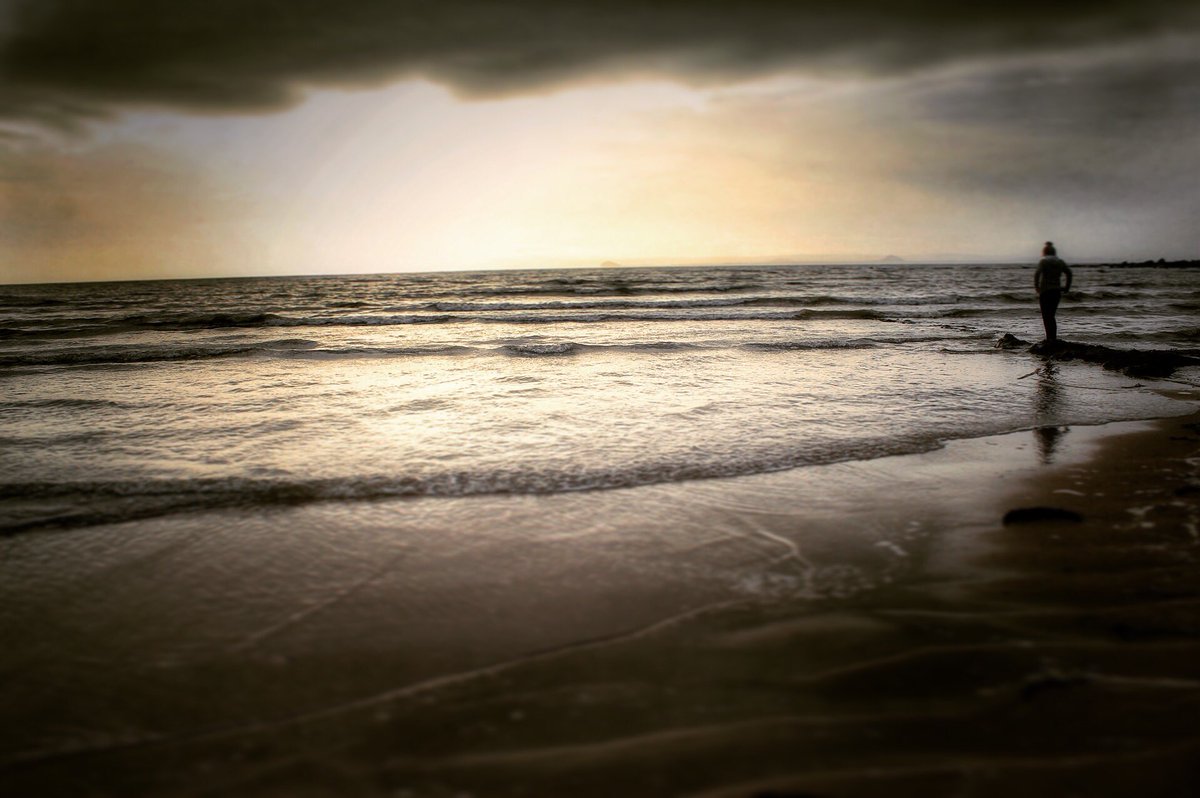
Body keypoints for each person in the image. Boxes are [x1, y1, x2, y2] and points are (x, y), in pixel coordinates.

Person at [1034, 241, 1072, 343]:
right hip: (1056, 291)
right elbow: (1069, 273)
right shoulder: (1060, 261)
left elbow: (1037, 274)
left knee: (1046, 316)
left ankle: (1050, 339)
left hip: (1045, 290)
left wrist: (1037, 287)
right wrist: (1067, 287)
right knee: (1051, 316)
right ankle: (1052, 338)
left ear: (1044, 252)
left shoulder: (1043, 261)